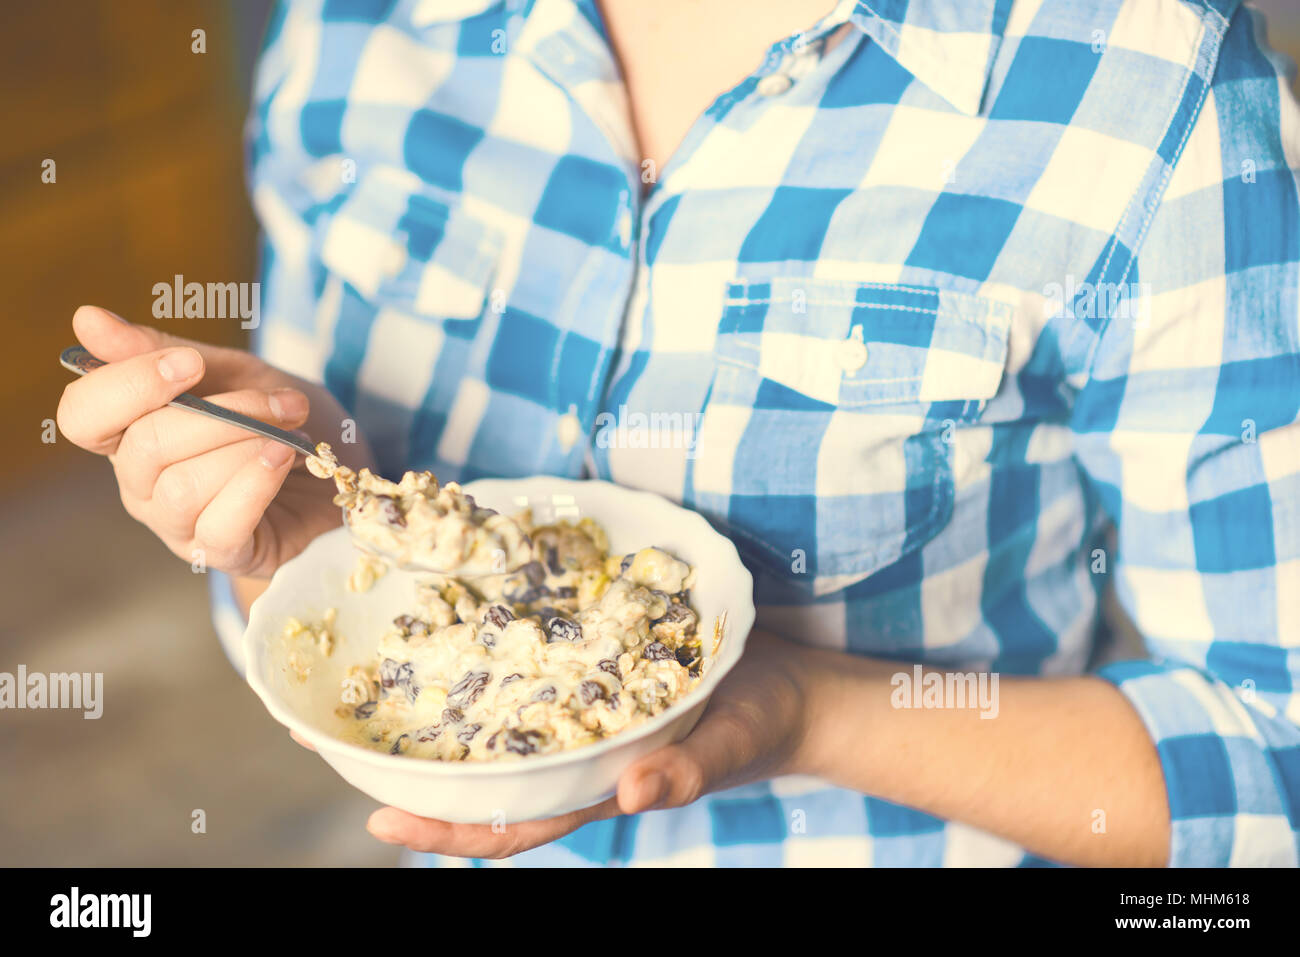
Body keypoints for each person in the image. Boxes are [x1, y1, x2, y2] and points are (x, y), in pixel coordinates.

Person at [57, 0, 1300, 867]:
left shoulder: (1152, 90)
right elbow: (308, 606)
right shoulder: (355, 26)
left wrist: (807, 709)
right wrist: (300, 537)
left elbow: (1271, 772)